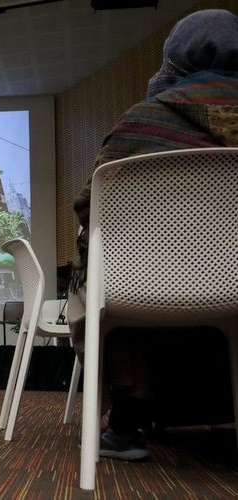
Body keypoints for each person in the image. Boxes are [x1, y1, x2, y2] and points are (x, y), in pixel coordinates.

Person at [67, 9, 238, 461]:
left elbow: (89, 207)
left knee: (107, 277)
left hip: (150, 289)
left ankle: (126, 426)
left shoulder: (143, 121)